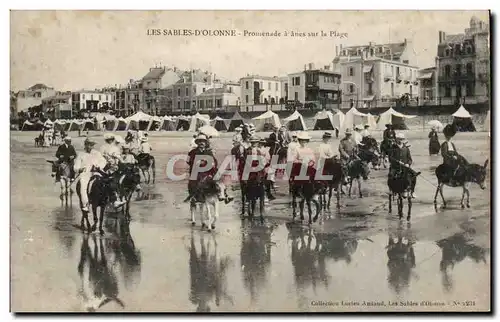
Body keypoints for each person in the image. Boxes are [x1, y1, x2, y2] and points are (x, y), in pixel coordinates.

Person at [73, 139, 110, 211]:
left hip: (96, 172)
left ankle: (110, 200)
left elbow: (103, 161)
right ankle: (85, 204)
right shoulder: (81, 154)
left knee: (107, 182)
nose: (90, 147)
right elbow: (76, 166)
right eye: (89, 145)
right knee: (83, 186)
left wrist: (98, 166)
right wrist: (79, 169)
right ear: (85, 145)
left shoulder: (97, 153)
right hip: (85, 173)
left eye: (92, 145)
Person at [389, 133, 415, 198]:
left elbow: (410, 159)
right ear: (396, 140)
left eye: (402, 139)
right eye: (399, 139)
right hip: (395, 167)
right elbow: (390, 158)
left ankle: (412, 191)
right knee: (391, 175)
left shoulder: (406, 148)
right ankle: (392, 190)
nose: (400, 141)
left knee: (414, 175)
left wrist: (408, 164)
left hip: (405, 167)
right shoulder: (393, 147)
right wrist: (398, 162)